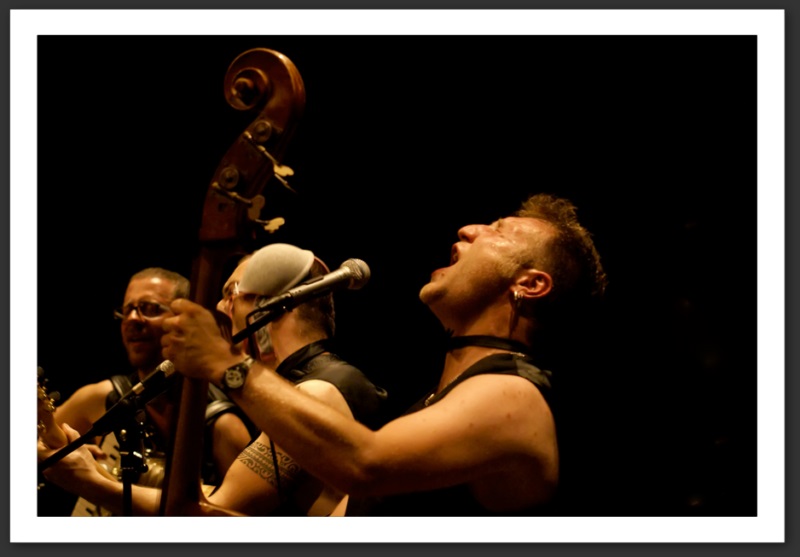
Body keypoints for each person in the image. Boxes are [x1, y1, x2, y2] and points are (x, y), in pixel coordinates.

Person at [156, 192, 608, 516]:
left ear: (530, 284)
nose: (468, 229)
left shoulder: (515, 397)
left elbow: (364, 464)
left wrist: (229, 365)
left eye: (499, 231)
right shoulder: (442, 401)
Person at [39, 244, 388, 516]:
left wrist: (88, 481)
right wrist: (93, 471)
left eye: (230, 293)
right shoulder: (315, 381)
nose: (221, 309)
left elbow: (212, 510)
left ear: (269, 305)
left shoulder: (317, 391)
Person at [37, 267, 257, 516]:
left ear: (183, 318)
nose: (132, 318)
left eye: (150, 308)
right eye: (127, 309)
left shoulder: (223, 425)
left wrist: (93, 480)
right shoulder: (100, 397)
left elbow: (234, 514)